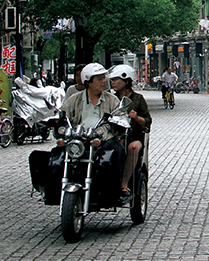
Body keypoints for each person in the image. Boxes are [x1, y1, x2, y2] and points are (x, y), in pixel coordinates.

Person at [60, 63, 124, 196]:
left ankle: (114, 190)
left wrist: (118, 122)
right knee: (57, 157)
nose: (103, 82)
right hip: (78, 138)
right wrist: (58, 122)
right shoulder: (74, 100)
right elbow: (62, 115)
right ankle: (53, 190)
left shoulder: (112, 100)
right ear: (88, 82)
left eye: (103, 78)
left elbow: (120, 116)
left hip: (103, 139)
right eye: (99, 79)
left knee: (116, 151)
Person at [109, 64, 152, 202]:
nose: (113, 83)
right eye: (112, 80)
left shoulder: (138, 99)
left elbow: (148, 120)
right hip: (113, 135)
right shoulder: (110, 98)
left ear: (126, 81)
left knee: (132, 148)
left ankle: (124, 184)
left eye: (116, 80)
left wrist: (136, 118)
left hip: (133, 136)